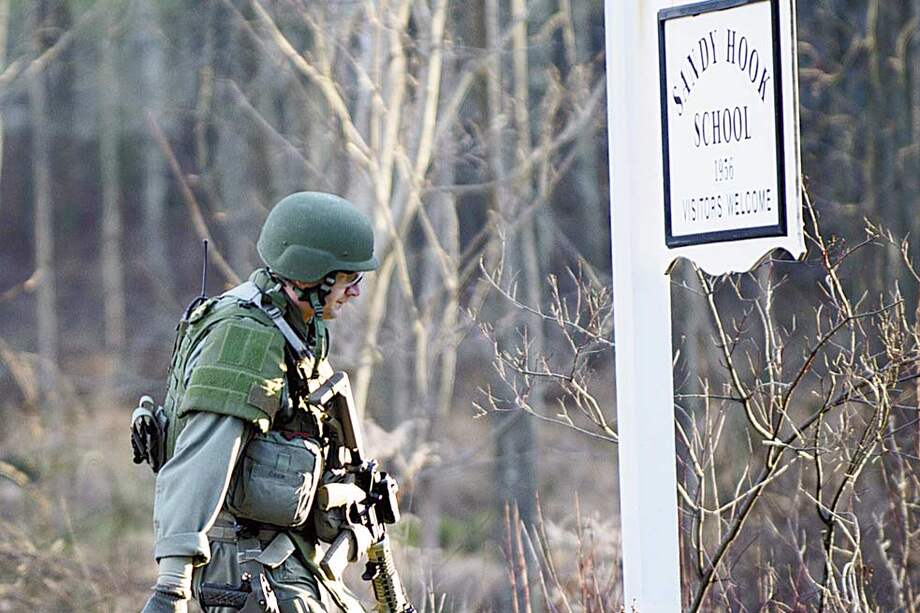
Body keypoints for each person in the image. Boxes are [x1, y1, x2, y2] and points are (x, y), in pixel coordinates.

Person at [140, 192, 378, 613]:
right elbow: (203, 456)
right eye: (349, 279)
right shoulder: (249, 339)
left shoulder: (296, 327)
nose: (355, 292)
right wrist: (171, 588)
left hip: (283, 557)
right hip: (250, 568)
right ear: (313, 276)